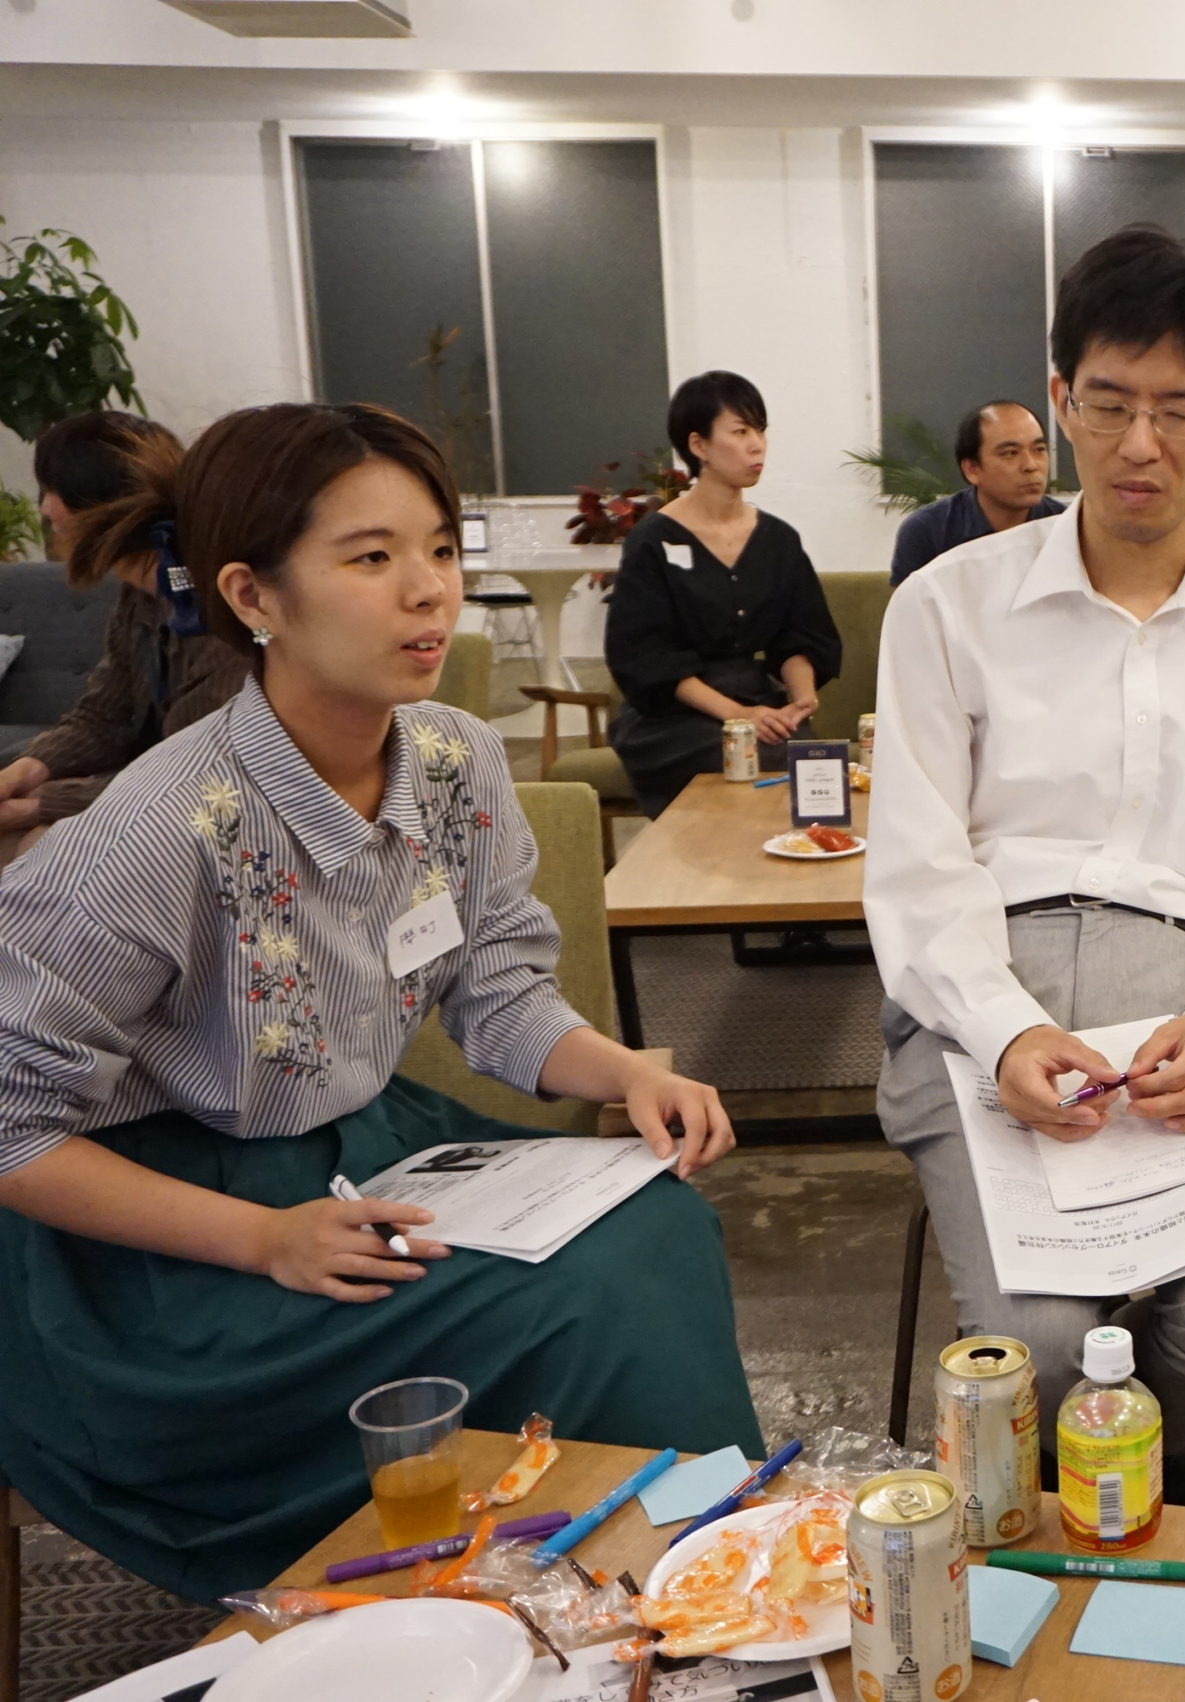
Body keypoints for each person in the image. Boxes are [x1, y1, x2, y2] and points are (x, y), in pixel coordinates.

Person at [0, 402, 764, 1602]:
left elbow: (496, 990)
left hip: (360, 1153)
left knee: (660, 1229)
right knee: (575, 1299)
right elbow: (12, 1128)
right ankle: (637, 1590)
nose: (428, 590)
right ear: (252, 595)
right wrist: (263, 1239)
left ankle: (670, 1578)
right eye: (371, 557)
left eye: (441, 548)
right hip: (162, 1240)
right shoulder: (162, 825)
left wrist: (626, 1072)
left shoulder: (455, 762)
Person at [867, 227, 1185, 1505]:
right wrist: (1001, 1029)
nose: (1140, 445)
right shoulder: (945, 606)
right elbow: (916, 867)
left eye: (1180, 410)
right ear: (1060, 399)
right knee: (1030, 1348)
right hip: (982, 988)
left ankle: (1133, 1439)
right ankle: (1105, 1445)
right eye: (1107, 404)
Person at [0, 412, 249, 866]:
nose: (45, 510)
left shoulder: (217, 611)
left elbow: (191, 772)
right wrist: (29, 770)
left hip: (218, 810)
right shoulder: (140, 594)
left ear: (99, 503)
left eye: (53, 491)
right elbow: (103, 716)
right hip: (161, 791)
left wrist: (42, 804)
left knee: (46, 845)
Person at [605, 370, 843, 815]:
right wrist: (739, 715)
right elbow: (646, 656)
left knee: (812, 765)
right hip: (677, 716)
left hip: (761, 701)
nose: (757, 445)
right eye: (740, 431)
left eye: (760, 431)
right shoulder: (653, 541)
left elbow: (801, 634)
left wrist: (801, 699)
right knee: (745, 754)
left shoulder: (778, 539)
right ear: (699, 446)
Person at [888, 400, 1066, 585]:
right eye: (1010, 453)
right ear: (972, 469)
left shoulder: (1065, 525)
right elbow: (907, 603)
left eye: (1039, 450)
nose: (1031, 465)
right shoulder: (927, 530)